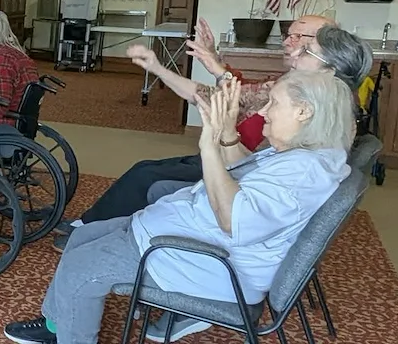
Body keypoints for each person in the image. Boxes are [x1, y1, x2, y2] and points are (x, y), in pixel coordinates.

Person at [5, 69, 356, 344]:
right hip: (181, 238)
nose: (263, 111)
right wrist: (226, 133)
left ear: (304, 111)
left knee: (84, 266)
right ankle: (57, 323)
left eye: (274, 104)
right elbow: (241, 172)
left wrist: (209, 149)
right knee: (83, 238)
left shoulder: (303, 175)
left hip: (200, 260)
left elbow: (233, 221)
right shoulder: (303, 155)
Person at [55, 16, 369, 245]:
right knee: (148, 171)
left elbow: (256, 175)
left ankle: (102, 235)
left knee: (148, 177)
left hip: (237, 180)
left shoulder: (321, 118)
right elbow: (214, 95)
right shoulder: (287, 87)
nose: (292, 47)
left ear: (329, 65)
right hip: (232, 159)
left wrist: (217, 77)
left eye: (304, 43)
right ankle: (100, 230)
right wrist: (161, 68)